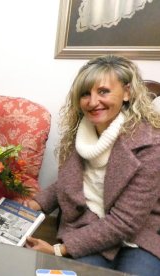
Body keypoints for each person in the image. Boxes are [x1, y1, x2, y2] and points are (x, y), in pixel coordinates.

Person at [25, 55, 160, 276]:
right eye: (86, 93)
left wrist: (59, 249)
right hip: (88, 228)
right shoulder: (78, 134)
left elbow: (125, 222)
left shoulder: (152, 143)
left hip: (138, 236)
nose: (93, 101)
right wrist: (33, 205)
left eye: (103, 91)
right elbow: (71, 182)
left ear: (127, 92)